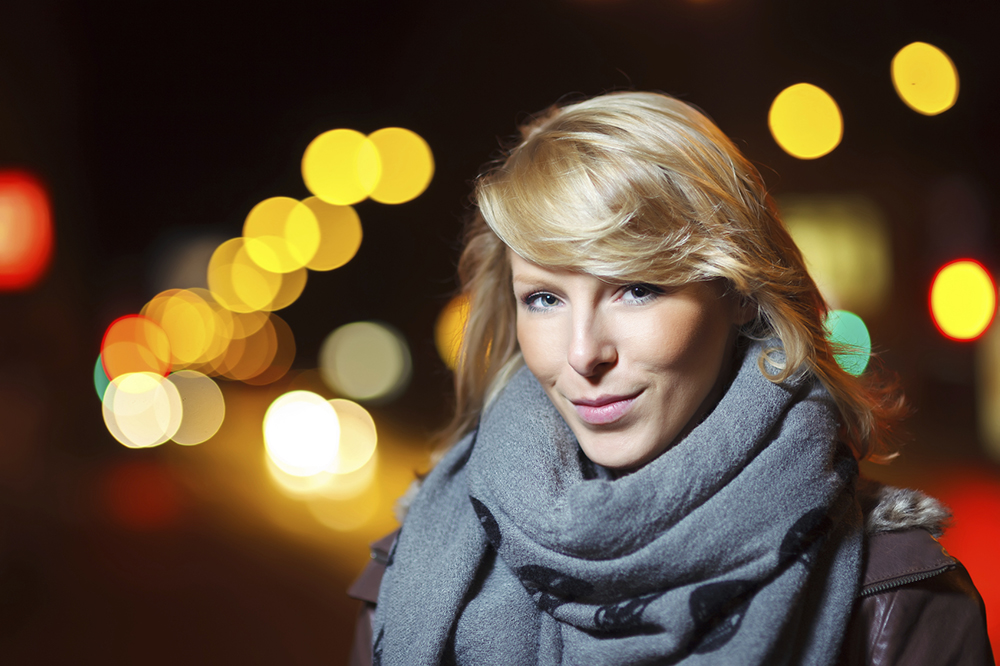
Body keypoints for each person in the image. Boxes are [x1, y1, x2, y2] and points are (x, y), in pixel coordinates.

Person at [348, 91, 993, 665]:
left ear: (738, 292)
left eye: (635, 288)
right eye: (543, 298)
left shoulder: (893, 603)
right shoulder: (417, 569)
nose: (583, 354)